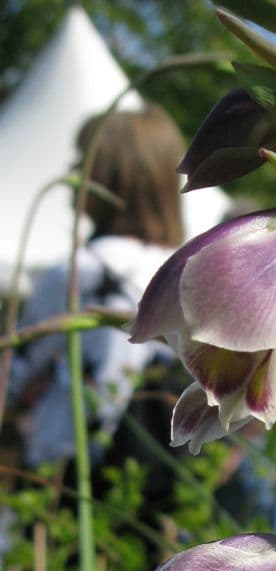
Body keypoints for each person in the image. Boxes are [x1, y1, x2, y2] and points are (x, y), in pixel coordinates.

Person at [8, 103, 185, 469]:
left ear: (112, 174)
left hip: (64, 467)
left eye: (82, 158)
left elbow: (14, 370)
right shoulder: (185, 269)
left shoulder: (81, 269)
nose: (72, 170)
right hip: (158, 472)